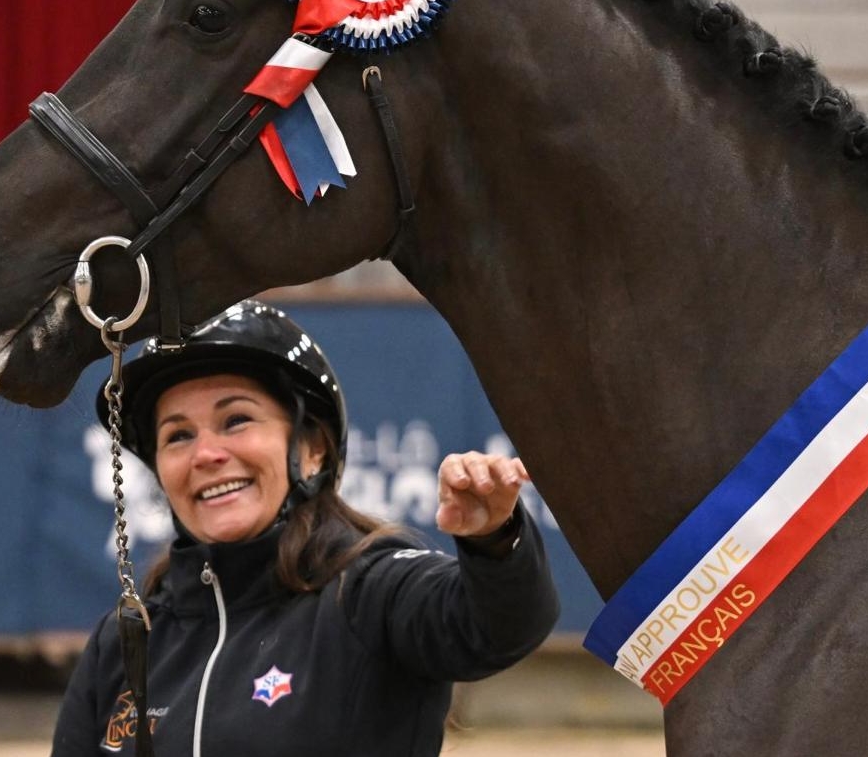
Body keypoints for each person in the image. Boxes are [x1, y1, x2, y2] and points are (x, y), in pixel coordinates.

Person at [51, 300, 559, 756]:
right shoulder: (128, 638)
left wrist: (494, 538)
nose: (206, 454)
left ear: (312, 448)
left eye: (237, 421)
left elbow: (498, 629)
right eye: (178, 435)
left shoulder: (370, 590)